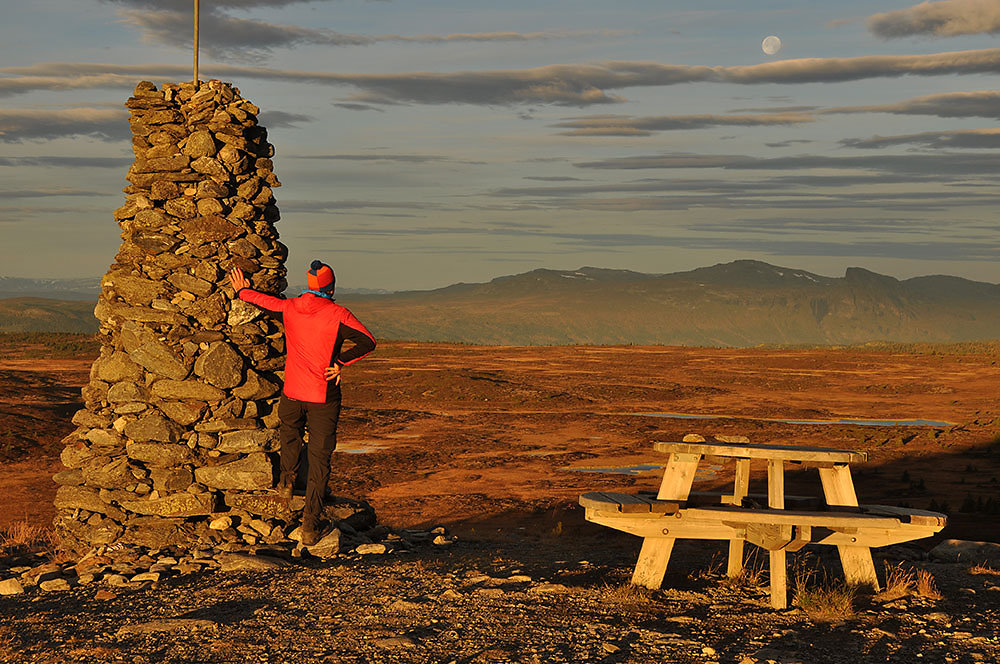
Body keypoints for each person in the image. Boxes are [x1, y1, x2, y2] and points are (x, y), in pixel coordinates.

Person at [228, 260, 376, 545]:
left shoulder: (291, 307)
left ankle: (286, 481)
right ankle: (310, 526)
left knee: (290, 434)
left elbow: (265, 302)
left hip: (292, 393)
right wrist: (340, 362)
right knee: (320, 461)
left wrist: (243, 291)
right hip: (323, 396)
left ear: (309, 284)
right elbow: (368, 341)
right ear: (331, 287)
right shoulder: (338, 314)